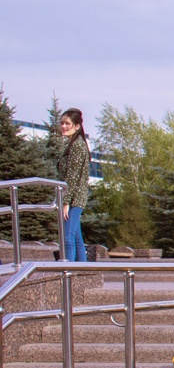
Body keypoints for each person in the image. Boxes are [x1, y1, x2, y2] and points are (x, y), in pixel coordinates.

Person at [57, 108, 91, 262]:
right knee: (77, 239)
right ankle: (83, 271)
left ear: (77, 126)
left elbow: (72, 178)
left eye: (67, 123)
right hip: (74, 197)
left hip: (74, 198)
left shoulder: (77, 146)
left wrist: (65, 203)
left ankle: (68, 271)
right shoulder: (74, 144)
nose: (63, 126)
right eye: (62, 123)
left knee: (68, 238)